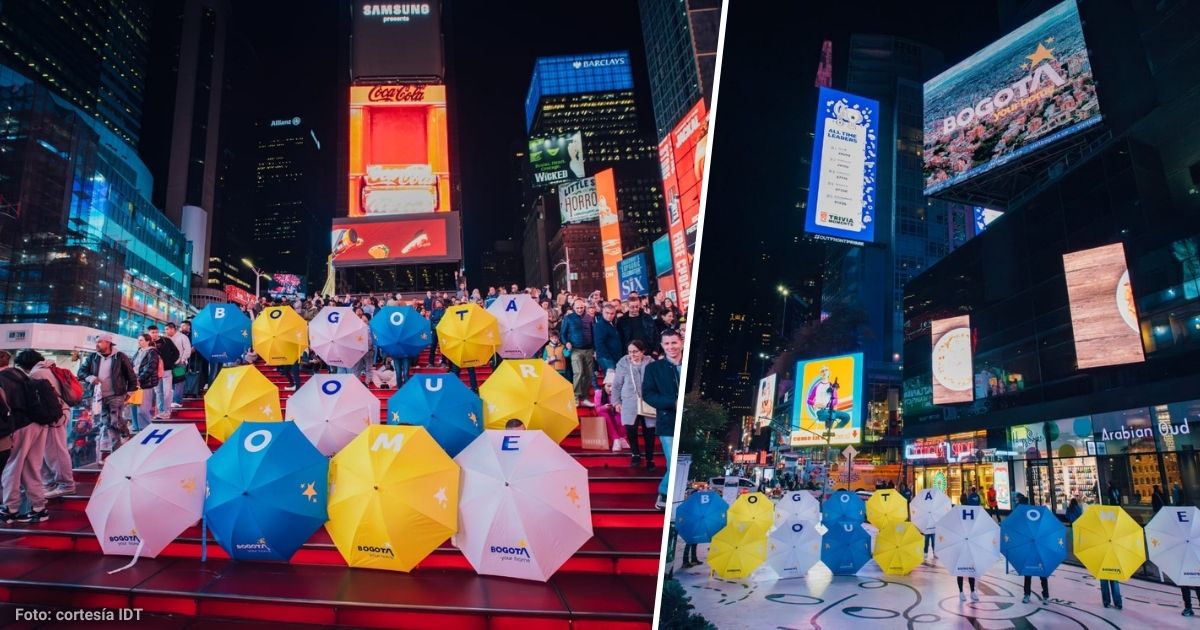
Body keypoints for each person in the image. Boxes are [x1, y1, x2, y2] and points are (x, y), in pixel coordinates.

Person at [0, 350, 58, 523]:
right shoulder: (20, 374)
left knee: (12, 466)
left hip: (20, 427)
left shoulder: (2, 380)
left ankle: (10, 508)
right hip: (38, 424)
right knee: (32, 467)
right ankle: (39, 508)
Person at [77, 334, 137, 458]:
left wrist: (130, 391)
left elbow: (130, 375)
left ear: (108, 343)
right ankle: (116, 450)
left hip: (117, 394)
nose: (97, 344)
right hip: (98, 397)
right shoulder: (92, 357)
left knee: (115, 420)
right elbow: (81, 372)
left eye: (99, 342)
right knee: (107, 422)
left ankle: (125, 433)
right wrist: (90, 378)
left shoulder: (120, 357)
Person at [643, 329, 683, 510]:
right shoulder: (653, 368)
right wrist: (672, 403)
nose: (671, 347)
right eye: (666, 344)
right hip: (668, 422)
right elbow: (648, 395)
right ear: (662, 346)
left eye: (674, 343)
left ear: (681, 342)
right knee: (672, 461)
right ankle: (665, 493)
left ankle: (665, 493)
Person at [30, 355, 75, 500]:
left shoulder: (37, 373)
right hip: (61, 411)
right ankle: (52, 484)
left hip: (54, 416)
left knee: (55, 451)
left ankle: (65, 485)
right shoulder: (49, 369)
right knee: (51, 450)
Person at [611, 340, 655, 470]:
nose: (632, 354)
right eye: (630, 351)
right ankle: (635, 454)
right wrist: (616, 402)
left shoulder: (651, 364)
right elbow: (617, 385)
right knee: (631, 430)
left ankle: (650, 459)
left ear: (643, 351)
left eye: (635, 351)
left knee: (649, 432)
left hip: (648, 401)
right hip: (629, 401)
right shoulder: (623, 363)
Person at [560, 299, 596, 407]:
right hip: (575, 350)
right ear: (573, 308)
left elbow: (593, 334)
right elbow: (563, 334)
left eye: (581, 308)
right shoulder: (568, 318)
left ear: (584, 307)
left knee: (589, 374)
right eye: (577, 308)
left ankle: (584, 397)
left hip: (589, 349)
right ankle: (575, 397)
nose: (580, 310)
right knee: (578, 373)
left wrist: (595, 350)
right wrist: (566, 343)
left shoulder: (589, 318)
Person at [132, 333, 161, 431]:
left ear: (148, 341)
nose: (139, 342)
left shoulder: (152, 352)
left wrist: (140, 378)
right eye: (138, 340)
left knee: (143, 409)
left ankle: (146, 428)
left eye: (141, 340)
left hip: (146, 382)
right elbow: (132, 364)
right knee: (134, 406)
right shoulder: (138, 351)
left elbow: (151, 367)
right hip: (134, 381)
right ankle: (136, 427)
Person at [594, 372, 627, 452]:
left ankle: (622, 437)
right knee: (603, 414)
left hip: (616, 413)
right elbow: (597, 409)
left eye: (614, 386)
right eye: (608, 386)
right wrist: (605, 407)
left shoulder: (621, 393)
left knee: (622, 413)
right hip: (605, 415)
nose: (611, 389)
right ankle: (616, 439)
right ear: (604, 386)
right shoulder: (599, 393)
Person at [166, 322, 192, 408]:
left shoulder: (182, 337)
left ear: (173, 329)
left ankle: (177, 401)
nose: (166, 331)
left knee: (179, 382)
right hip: (169, 364)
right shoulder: (166, 338)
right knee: (170, 383)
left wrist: (183, 359)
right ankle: (172, 400)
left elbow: (187, 349)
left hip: (179, 363)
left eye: (167, 329)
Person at [593, 303, 623, 374]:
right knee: (610, 381)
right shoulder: (600, 325)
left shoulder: (611, 323)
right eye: (607, 313)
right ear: (602, 312)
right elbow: (599, 344)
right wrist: (608, 357)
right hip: (607, 358)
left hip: (613, 357)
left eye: (612, 313)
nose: (609, 315)